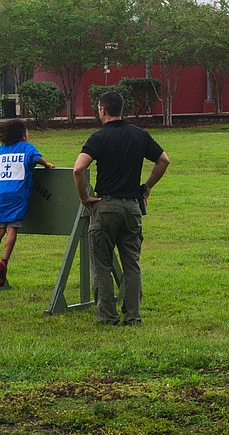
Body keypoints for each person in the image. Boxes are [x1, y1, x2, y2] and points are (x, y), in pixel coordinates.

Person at [73, 91, 170, 326]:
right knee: (132, 265)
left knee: (102, 265)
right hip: (132, 208)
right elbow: (163, 160)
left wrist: (84, 197)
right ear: (121, 109)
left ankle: (107, 317)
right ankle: (133, 316)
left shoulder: (98, 138)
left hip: (105, 207)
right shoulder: (139, 135)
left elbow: (78, 169)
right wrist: (146, 187)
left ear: (102, 110)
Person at [0, 119, 54, 287]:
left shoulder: (2, 150)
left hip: (1, 195)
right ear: (23, 135)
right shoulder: (26, 147)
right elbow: (37, 159)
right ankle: (4, 262)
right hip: (17, 195)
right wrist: (47, 165)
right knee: (12, 228)